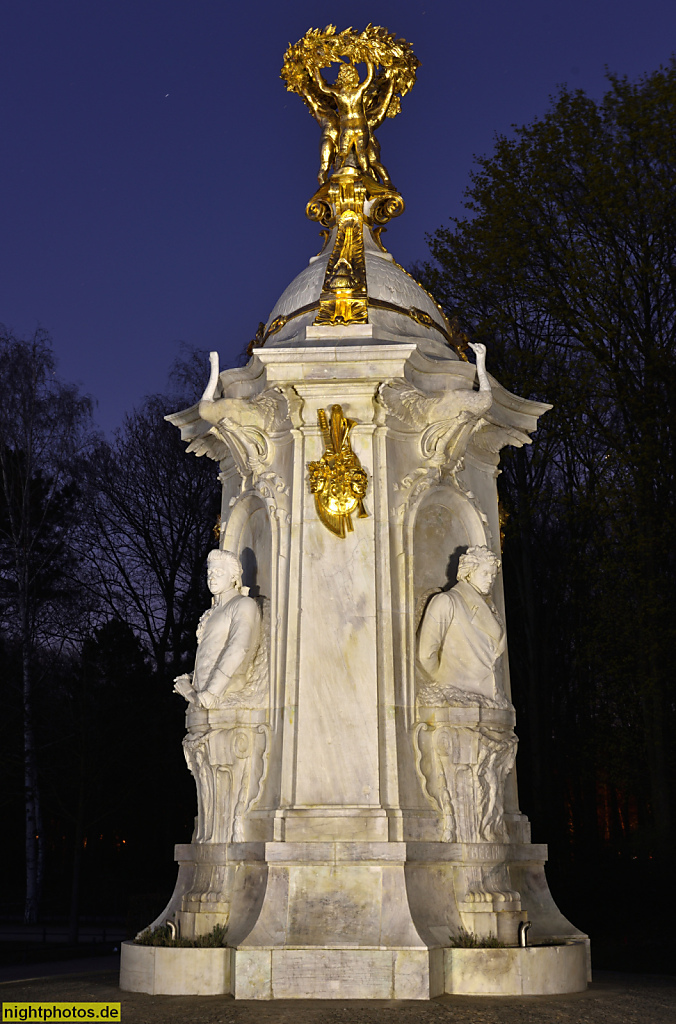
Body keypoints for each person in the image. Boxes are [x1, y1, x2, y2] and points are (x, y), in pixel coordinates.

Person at [417, 545, 506, 704]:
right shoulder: (447, 601)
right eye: (485, 573)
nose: (490, 580)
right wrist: (444, 682)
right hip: (457, 695)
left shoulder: (492, 610)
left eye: (493, 575)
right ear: (469, 573)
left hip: (493, 701)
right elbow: (426, 654)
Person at [173, 549, 261, 709]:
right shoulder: (211, 612)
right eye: (209, 572)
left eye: (219, 572)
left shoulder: (242, 604)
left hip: (223, 694)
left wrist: (212, 691)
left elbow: (239, 648)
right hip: (202, 697)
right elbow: (211, 655)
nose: (212, 578)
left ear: (233, 577)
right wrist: (189, 681)